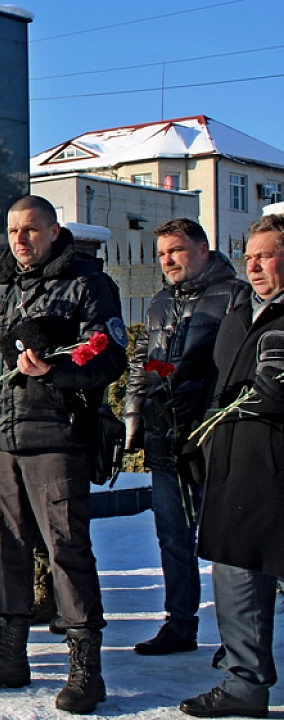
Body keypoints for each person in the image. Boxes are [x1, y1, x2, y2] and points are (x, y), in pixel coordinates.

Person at [0, 195, 127, 714]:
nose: (20, 239)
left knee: (67, 552)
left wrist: (55, 372)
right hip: (0, 441)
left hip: (56, 438)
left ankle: (85, 668)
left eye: (31, 229)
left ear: (54, 231)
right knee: (4, 550)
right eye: (13, 230)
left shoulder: (88, 284)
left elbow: (110, 358)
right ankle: (9, 654)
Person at [123, 219, 250, 656]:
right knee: (172, 535)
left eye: (175, 250)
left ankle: (237, 637)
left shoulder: (235, 295)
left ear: (202, 249)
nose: (167, 260)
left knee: (226, 537)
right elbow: (141, 361)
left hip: (213, 436)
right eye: (161, 254)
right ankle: (180, 624)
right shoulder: (160, 301)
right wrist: (135, 417)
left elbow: (238, 366)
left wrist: (210, 413)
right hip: (166, 434)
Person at [178, 214, 284, 720]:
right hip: (238, 462)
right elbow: (218, 381)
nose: (254, 266)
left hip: (277, 459)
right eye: (249, 257)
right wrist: (200, 439)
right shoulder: (241, 309)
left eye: (267, 256)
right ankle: (245, 683)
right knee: (237, 572)